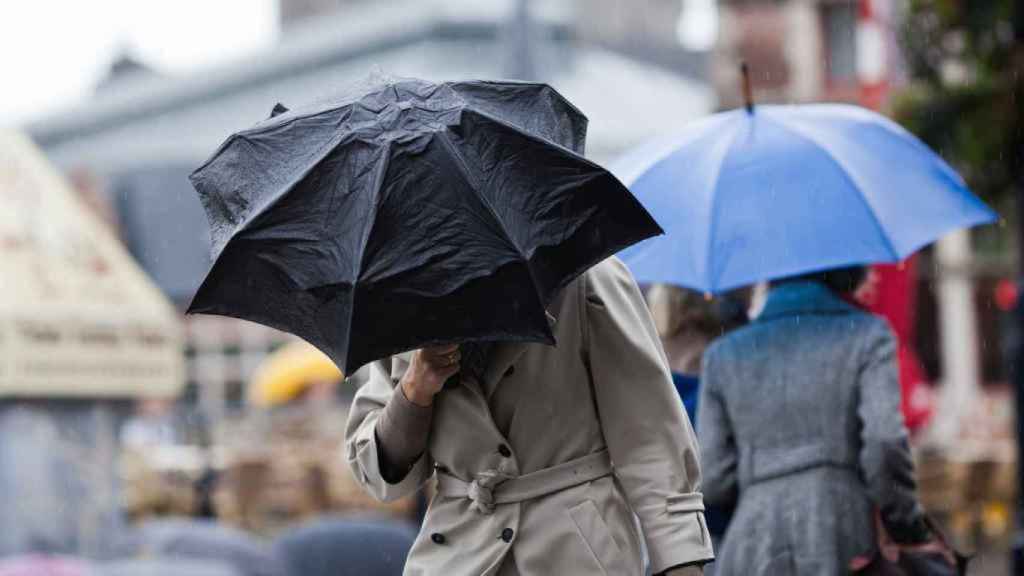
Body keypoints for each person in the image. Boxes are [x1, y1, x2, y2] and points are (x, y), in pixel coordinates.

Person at [346, 257, 714, 576]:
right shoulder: (398, 302)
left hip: (576, 553)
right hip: (457, 557)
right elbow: (381, 476)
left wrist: (681, 561)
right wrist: (415, 389)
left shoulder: (585, 277)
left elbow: (649, 439)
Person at [697, 267, 933, 575]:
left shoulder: (722, 355)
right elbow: (884, 443)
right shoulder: (867, 335)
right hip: (841, 532)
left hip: (751, 544)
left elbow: (713, 479)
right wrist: (907, 523)